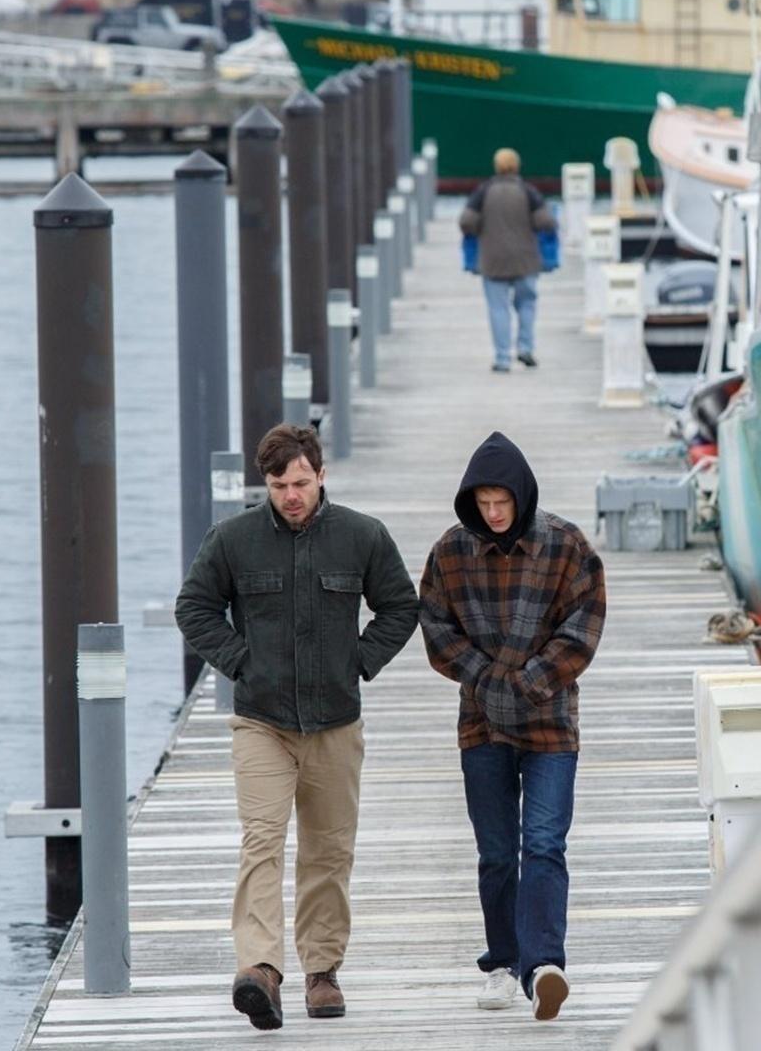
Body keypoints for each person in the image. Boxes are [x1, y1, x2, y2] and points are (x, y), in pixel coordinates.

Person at [175, 424, 419, 1030]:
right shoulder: (232, 541)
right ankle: (260, 969)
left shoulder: (363, 536)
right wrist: (239, 661)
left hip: (337, 722)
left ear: (321, 475)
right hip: (262, 722)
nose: (291, 494)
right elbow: (194, 608)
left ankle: (322, 972)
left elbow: (401, 606)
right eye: (280, 484)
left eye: (302, 483)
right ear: (266, 483)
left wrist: (358, 661)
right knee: (262, 841)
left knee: (328, 852)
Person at [417, 431, 607, 1021]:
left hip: (551, 723)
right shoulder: (450, 553)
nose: (494, 515)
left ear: (521, 497)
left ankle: (545, 963)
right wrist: (490, 681)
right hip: (481, 724)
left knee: (544, 843)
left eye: (503, 503)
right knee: (496, 851)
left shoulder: (568, 546)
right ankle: (503, 963)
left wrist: (527, 682)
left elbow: (584, 627)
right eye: (484, 505)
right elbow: (437, 630)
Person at [460, 148, 557, 373]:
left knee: (498, 308)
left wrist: (480, 229)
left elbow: (466, 221)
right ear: (517, 166)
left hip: (493, 260)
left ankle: (502, 358)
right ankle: (525, 347)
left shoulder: (483, 192)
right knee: (527, 303)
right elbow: (546, 222)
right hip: (526, 260)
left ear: (496, 166)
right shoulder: (528, 191)